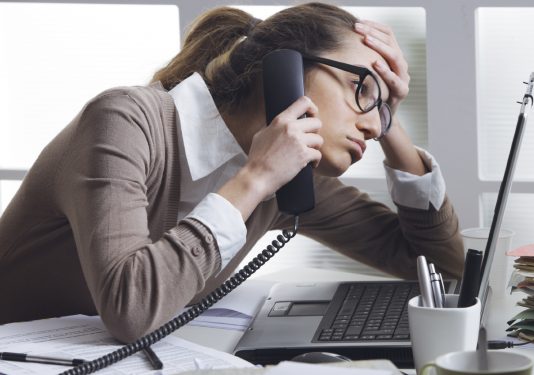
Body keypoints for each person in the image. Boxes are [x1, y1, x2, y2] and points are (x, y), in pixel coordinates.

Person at [0, 3, 464, 342]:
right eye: (361, 89)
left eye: (382, 108)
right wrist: (255, 180)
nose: (371, 121)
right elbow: (131, 308)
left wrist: (393, 129)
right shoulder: (124, 120)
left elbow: (438, 269)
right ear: (284, 68)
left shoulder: (295, 171)